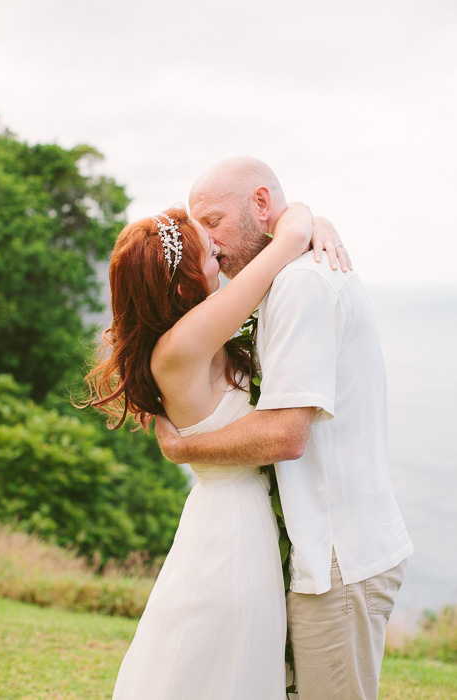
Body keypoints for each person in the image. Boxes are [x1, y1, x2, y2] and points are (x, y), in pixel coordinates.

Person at [156, 157, 415, 700]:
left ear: (259, 205)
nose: (209, 240)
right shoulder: (277, 279)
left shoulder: (298, 283)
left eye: (214, 220)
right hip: (312, 550)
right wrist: (302, 219)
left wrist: (185, 448)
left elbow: (285, 435)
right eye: (199, 229)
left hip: (340, 553)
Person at [82, 201, 346, 699]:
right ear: (185, 285)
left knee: (220, 662)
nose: (220, 256)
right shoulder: (183, 343)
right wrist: (308, 221)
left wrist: (322, 225)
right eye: (208, 256)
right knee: (219, 662)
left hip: (236, 519)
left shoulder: (189, 338)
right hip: (230, 530)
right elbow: (285, 244)